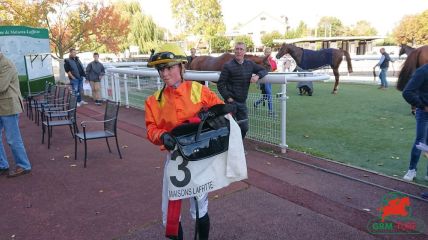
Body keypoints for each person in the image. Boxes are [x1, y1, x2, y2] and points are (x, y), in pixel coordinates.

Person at [145, 43, 224, 240]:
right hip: (174, 160)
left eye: (169, 67)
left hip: (200, 159)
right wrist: (162, 136)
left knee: (200, 207)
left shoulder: (199, 90)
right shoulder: (154, 101)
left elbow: (219, 110)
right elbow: (151, 128)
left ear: (181, 67)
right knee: (170, 210)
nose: (164, 73)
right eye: (161, 69)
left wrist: (215, 116)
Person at [217, 42, 268, 138]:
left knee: (244, 128)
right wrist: (228, 98)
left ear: (244, 51)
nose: (239, 51)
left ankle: (238, 148)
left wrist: (257, 76)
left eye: (241, 49)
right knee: (230, 128)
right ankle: (230, 150)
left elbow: (264, 70)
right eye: (237, 49)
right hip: (231, 103)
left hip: (242, 103)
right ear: (234, 51)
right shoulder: (228, 66)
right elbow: (220, 84)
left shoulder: (250, 64)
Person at [0, 48, 32, 178]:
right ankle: (2, 165)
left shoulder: (5, 63)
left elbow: (1, 86)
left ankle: (24, 165)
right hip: (3, 105)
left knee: (13, 139)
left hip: (9, 106)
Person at [402, 64, 428, 182]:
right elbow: (407, 92)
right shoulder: (422, 71)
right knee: (420, 141)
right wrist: (423, 106)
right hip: (424, 113)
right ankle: (412, 169)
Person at [254, 47, 277, 115]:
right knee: (269, 95)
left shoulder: (272, 61)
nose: (268, 53)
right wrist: (258, 83)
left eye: (269, 52)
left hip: (269, 80)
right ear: (264, 53)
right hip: (264, 80)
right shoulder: (262, 61)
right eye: (267, 52)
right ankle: (270, 111)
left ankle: (256, 103)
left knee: (266, 96)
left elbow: (274, 70)